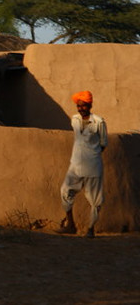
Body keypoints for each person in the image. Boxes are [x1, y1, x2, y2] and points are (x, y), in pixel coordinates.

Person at [57, 90, 107, 238]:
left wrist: (91, 154)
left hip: (93, 166)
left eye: (83, 106)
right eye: (78, 106)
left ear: (90, 105)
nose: (80, 108)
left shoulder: (99, 122)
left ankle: (90, 229)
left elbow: (103, 143)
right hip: (76, 165)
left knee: (95, 200)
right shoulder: (75, 120)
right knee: (65, 191)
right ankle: (70, 225)